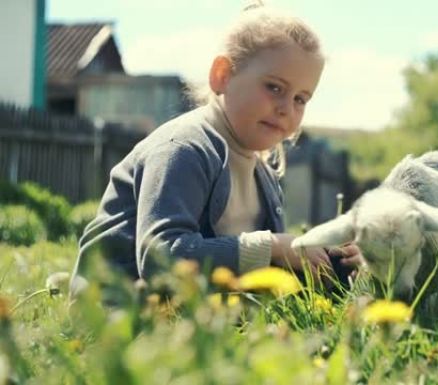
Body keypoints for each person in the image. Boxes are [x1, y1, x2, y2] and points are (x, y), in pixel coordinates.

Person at [71, 4, 361, 292]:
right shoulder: (183, 148)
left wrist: (325, 258)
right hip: (117, 314)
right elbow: (161, 259)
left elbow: (250, 263)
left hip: (198, 313)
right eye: (274, 87)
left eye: (301, 99)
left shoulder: (263, 173)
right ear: (223, 74)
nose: (286, 108)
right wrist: (272, 246)